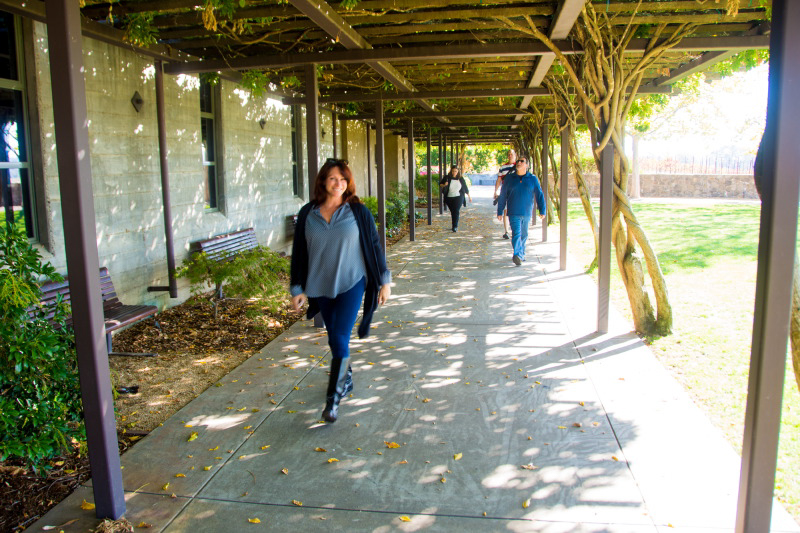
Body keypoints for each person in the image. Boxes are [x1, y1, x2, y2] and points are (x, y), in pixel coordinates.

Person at [290, 158, 392, 423]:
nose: (338, 183)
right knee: (335, 337)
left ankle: (332, 401)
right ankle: (346, 377)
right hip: (320, 284)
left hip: (352, 281)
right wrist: (297, 288)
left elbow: (374, 245)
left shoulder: (357, 211)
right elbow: (299, 252)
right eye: (333, 178)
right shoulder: (308, 213)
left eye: (343, 179)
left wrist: (385, 281)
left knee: (340, 335)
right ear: (323, 181)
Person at [495, 156, 546, 266]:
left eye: (522, 161)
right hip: (513, 211)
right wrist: (500, 211)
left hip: (526, 212)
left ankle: (521, 255)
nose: (519, 162)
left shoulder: (532, 179)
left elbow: (539, 194)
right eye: (518, 161)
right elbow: (503, 195)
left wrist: (542, 210)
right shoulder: (509, 178)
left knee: (524, 234)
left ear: (526, 165)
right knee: (516, 234)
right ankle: (517, 254)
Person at [439, 165, 471, 232]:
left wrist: (469, 196)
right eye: (453, 171)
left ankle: (455, 226)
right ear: (451, 171)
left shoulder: (460, 178)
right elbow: (440, 184)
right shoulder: (447, 177)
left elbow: (465, 187)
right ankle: (454, 224)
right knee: (453, 211)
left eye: (455, 171)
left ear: (458, 171)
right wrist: (444, 185)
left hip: (459, 196)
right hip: (449, 197)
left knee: (456, 210)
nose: (454, 172)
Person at [493, 148, 516, 239]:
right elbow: (499, 180)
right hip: (505, 191)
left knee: (514, 211)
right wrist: (496, 191)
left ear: (515, 155)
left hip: (516, 192)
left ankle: (514, 230)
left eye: (511, 154)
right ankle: (506, 231)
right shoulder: (503, 167)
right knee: (506, 210)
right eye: (509, 154)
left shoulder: (518, 166)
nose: (510, 156)